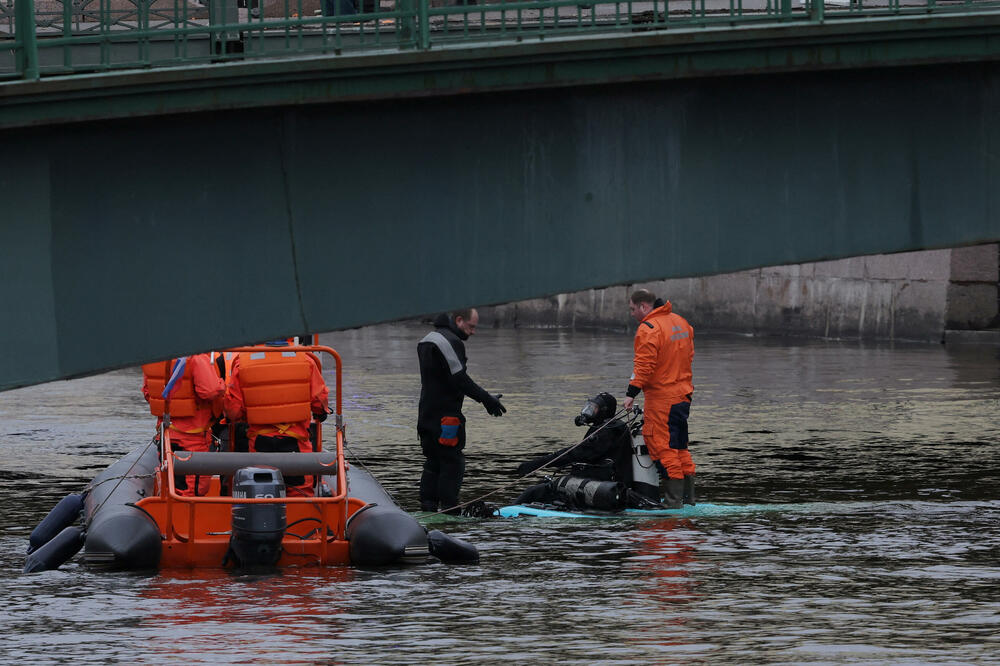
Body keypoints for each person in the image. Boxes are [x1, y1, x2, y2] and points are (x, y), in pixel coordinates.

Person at [417, 308, 506, 513]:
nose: (473, 332)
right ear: (458, 320)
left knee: (433, 462)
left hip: (426, 417)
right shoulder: (449, 342)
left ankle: (427, 508)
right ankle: (450, 513)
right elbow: (460, 379)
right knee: (452, 463)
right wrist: (487, 400)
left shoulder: (427, 340)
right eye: (471, 326)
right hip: (446, 419)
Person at [514, 392, 658, 507]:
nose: (589, 412)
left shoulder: (607, 431)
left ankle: (507, 513)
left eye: (594, 409)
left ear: (604, 411)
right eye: (589, 407)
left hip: (607, 484)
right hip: (603, 480)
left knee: (535, 491)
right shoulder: (609, 426)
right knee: (544, 486)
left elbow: (576, 453)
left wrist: (536, 464)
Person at [224, 340, 330, 497]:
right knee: (300, 492)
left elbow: (233, 410)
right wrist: (321, 412)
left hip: (260, 442)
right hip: (296, 442)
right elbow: (319, 400)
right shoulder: (306, 359)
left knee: (260, 491)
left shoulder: (242, 362)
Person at [623, 289, 696, 509]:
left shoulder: (649, 328)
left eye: (633, 309)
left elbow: (644, 366)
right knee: (679, 447)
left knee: (663, 447)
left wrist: (631, 393)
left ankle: (673, 503)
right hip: (683, 395)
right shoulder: (680, 322)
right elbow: (689, 356)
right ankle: (688, 500)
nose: (632, 314)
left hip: (662, 398)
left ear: (644, 306)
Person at [142, 354, 226, 497]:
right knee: (194, 488)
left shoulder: (154, 357)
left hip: (167, 434)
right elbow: (210, 391)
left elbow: (148, 392)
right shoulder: (197, 357)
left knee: (171, 481)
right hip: (193, 436)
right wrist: (222, 384)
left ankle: (170, 508)